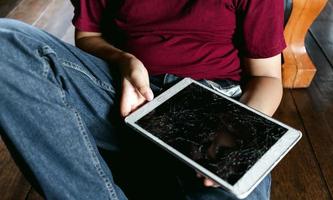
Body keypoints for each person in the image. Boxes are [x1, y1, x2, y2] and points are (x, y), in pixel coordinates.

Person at [0, 0, 285, 199]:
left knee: (230, 189)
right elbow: (89, 35)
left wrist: (238, 129)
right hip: (122, 91)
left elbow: (268, 78)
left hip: (214, 107)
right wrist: (125, 61)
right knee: (5, 41)